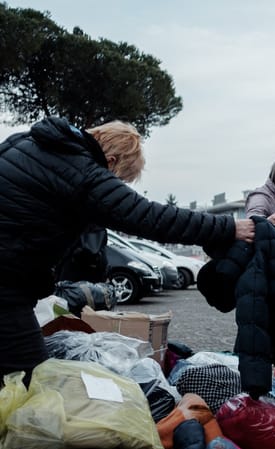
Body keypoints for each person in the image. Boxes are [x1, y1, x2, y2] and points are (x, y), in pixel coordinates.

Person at [0, 116, 254, 386]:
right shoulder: (83, 171)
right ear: (110, 161)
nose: (113, 183)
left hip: (12, 282)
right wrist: (229, 228)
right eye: (118, 178)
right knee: (31, 381)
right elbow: (148, 217)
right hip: (6, 289)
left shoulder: (27, 143)